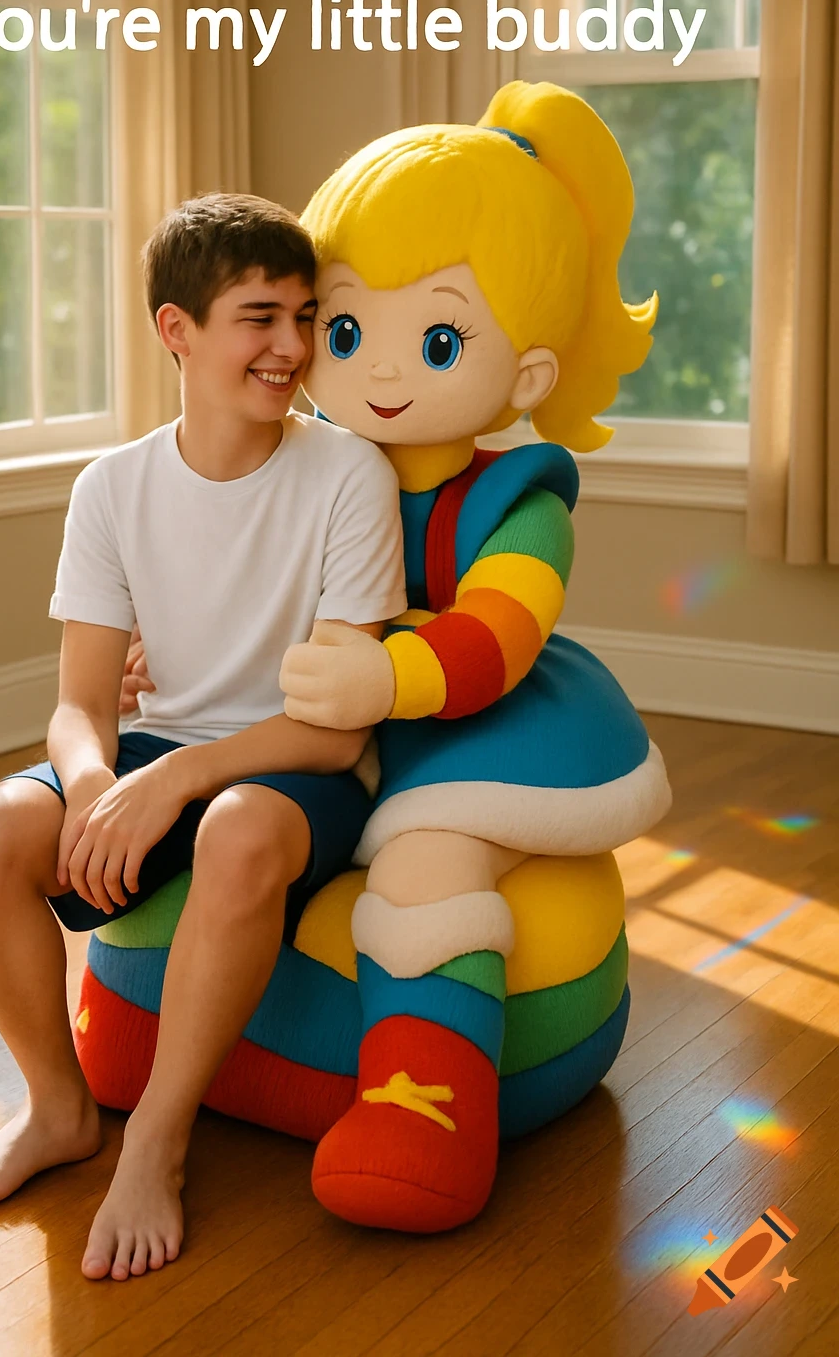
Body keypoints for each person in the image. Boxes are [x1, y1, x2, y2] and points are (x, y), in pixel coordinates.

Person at [0, 193, 406, 1278]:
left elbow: (335, 734)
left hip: (290, 768)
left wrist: (178, 777)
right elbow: (79, 702)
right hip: (164, 754)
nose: (292, 347)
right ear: (176, 329)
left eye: (304, 317)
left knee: (235, 826)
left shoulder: (348, 475)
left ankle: (156, 1136)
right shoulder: (111, 487)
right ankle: (58, 1110)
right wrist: (94, 781)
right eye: (259, 318)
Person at [275, 81, 672, 1230]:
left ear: (527, 376)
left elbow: (501, 626)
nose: (381, 374)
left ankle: (428, 1107)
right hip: (341, 718)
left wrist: (388, 674)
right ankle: (152, 1010)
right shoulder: (303, 467)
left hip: (477, 724)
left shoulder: (517, 500)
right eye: (346, 331)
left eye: (437, 340)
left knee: (427, 856)